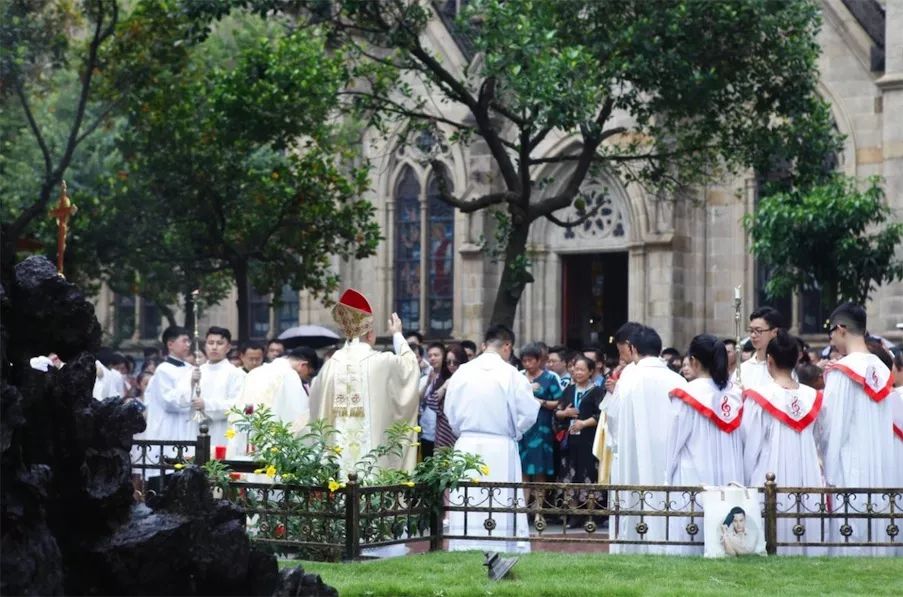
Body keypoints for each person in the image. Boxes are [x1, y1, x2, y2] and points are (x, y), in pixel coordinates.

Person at [444, 324, 538, 553]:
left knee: (469, 498)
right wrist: (515, 432)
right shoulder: (511, 375)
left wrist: (463, 432)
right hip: (500, 446)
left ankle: (464, 545)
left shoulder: (463, 372)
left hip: (466, 444)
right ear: (507, 346)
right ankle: (501, 546)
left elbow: (450, 411)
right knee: (499, 500)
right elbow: (528, 412)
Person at [309, 289, 421, 477]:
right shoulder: (381, 362)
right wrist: (397, 335)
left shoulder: (329, 366)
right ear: (370, 334)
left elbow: (315, 405)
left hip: (336, 464)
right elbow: (411, 366)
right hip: (373, 469)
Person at [819, 302, 896, 556]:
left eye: (831, 332)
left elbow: (832, 427)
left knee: (850, 532)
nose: (830, 339)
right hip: (881, 463)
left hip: (849, 463)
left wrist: (827, 471)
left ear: (841, 328)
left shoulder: (843, 372)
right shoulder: (883, 369)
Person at [740, 330, 824, 555]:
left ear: (769, 361)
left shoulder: (759, 397)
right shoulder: (812, 396)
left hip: (770, 470)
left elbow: (751, 444)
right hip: (808, 471)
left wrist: (746, 480)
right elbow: (818, 440)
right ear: (797, 359)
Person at [607, 325, 686, 553]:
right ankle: (670, 545)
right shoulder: (677, 381)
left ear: (632, 348)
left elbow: (613, 421)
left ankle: (635, 546)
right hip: (669, 454)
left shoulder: (628, 380)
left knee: (635, 499)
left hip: (634, 454)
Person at [666, 334, 744, 555]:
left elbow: (675, 440)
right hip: (731, 470)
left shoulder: (687, 394)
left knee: (693, 531)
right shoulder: (735, 393)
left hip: (694, 470)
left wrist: (668, 475)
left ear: (694, 361)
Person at [141, 326, 196, 491]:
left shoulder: (190, 369)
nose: (188, 345)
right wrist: (191, 384)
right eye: (184, 341)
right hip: (167, 431)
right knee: (165, 482)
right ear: (170, 344)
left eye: (189, 341)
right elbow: (169, 401)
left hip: (186, 429)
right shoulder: (163, 370)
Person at [230, 347, 312, 456]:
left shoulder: (255, 372)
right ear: (303, 365)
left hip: (248, 433)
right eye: (308, 374)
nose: (305, 378)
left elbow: (245, 405)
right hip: (273, 440)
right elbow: (298, 414)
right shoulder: (289, 374)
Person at [555, 355, 604, 524]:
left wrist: (584, 423)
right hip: (571, 440)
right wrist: (565, 413)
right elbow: (558, 411)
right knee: (571, 473)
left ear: (591, 371)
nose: (578, 372)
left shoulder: (597, 391)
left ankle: (590, 514)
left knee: (588, 474)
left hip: (588, 440)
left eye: (582, 369)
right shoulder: (569, 390)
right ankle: (574, 513)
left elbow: (601, 415)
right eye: (575, 369)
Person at [517, 343, 563, 513]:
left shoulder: (550, 378)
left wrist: (540, 401)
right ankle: (522, 509)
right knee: (523, 470)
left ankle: (538, 511)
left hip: (542, 430)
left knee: (539, 470)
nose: (527, 364)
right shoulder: (519, 377)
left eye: (530, 361)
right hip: (523, 430)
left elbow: (558, 402)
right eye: (524, 361)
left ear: (538, 360)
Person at [195, 327, 246, 448]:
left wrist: (207, 405)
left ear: (228, 348)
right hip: (196, 428)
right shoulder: (198, 371)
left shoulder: (236, 373)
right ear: (205, 345)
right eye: (210, 343)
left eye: (219, 343)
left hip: (223, 429)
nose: (214, 347)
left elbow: (236, 405)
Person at [426, 343, 468, 450]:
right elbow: (430, 401)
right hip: (443, 434)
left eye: (455, 362)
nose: (452, 365)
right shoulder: (442, 377)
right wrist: (445, 386)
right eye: (448, 362)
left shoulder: (469, 380)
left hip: (463, 432)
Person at [736, 306, 785, 389]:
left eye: (758, 331)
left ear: (774, 332)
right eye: (751, 331)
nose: (753, 335)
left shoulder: (784, 368)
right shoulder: (742, 369)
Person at [418, 342, 447, 459]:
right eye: (430, 355)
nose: (432, 358)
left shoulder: (449, 378)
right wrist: (428, 384)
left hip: (443, 433)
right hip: (427, 432)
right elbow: (419, 400)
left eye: (436, 355)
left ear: (443, 356)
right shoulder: (425, 378)